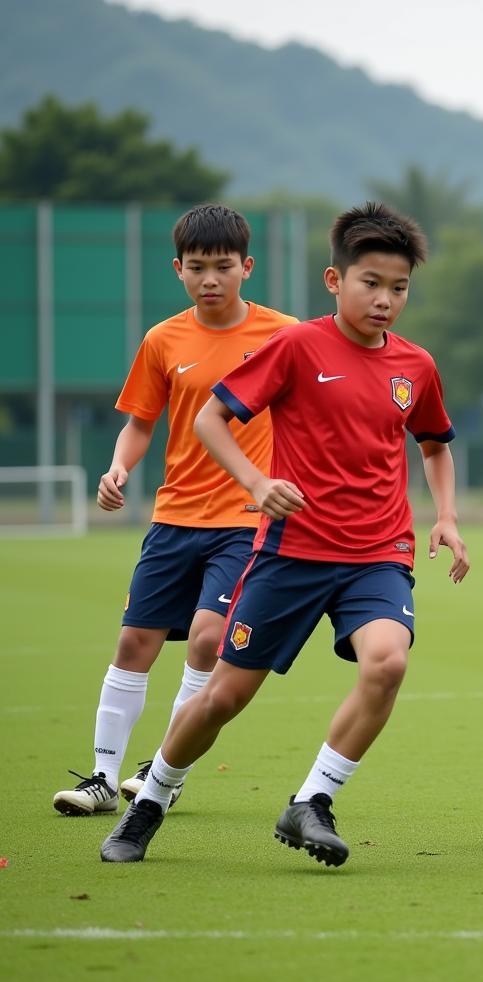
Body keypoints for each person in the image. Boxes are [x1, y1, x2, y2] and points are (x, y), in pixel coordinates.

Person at [99, 201, 470, 867]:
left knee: (388, 660)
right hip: (290, 553)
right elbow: (214, 417)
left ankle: (313, 802)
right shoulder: (297, 346)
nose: (386, 300)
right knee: (222, 699)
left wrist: (444, 515)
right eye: (372, 284)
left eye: (400, 288)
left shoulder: (416, 366)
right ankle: (149, 800)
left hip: (378, 554)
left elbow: (437, 445)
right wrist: (255, 483)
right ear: (335, 281)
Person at [53, 204, 295, 816]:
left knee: (209, 639)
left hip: (245, 521)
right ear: (177, 271)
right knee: (135, 641)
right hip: (173, 519)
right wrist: (118, 468)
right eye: (196, 268)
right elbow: (141, 423)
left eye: (222, 266)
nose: (209, 278)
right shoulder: (163, 339)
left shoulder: (283, 335)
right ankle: (103, 780)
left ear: (247, 267)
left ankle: (162, 768)